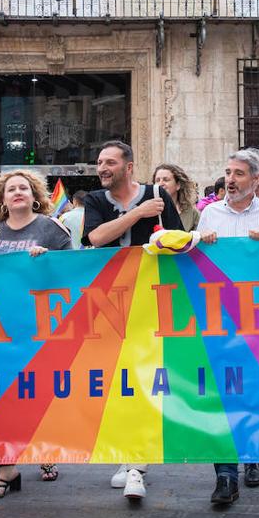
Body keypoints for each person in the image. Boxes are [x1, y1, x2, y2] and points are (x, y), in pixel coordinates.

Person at [82, 140, 182, 499]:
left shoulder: (158, 194)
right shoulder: (95, 201)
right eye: (99, 162)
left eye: (109, 162)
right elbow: (96, 238)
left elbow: (176, 240)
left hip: (151, 301)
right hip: (109, 303)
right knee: (117, 381)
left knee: (144, 378)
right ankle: (126, 456)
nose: (102, 168)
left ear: (129, 167)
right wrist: (137, 214)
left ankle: (138, 464)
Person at [198, 148, 259, 505]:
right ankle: (225, 476)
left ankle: (253, 454)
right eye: (227, 172)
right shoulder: (210, 215)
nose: (230, 180)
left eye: (238, 174)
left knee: (254, 388)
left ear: (257, 181)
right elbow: (196, 266)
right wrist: (198, 244)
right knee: (223, 393)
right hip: (219, 319)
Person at [0, 170, 71, 501]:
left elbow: (75, 271)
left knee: (36, 395)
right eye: (11, 189)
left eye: (24, 188)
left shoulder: (51, 228)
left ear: (35, 196)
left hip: (37, 330)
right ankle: (6, 468)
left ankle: (43, 450)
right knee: (1, 400)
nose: (17, 193)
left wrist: (49, 261)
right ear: (2, 198)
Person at [153, 163, 200, 232]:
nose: (161, 184)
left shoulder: (192, 212)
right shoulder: (149, 211)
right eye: (157, 180)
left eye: (166, 180)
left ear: (178, 185)